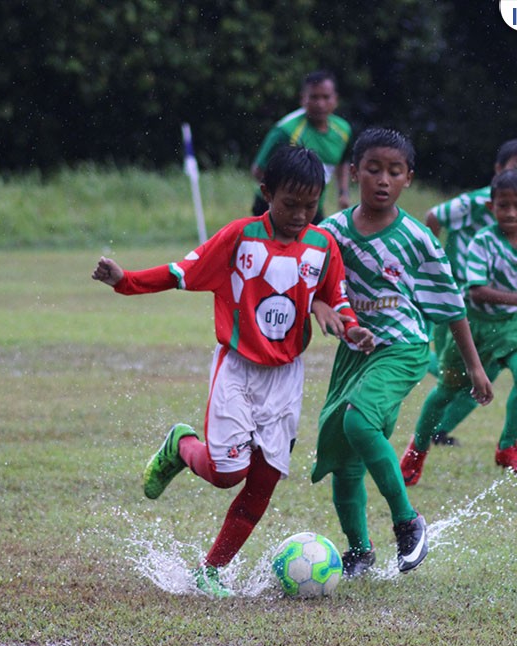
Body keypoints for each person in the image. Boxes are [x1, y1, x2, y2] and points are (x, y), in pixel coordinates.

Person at [92, 146, 374, 597]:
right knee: (227, 473)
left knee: (262, 483)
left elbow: (335, 295)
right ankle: (181, 445)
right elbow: (181, 271)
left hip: (286, 378)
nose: (302, 214)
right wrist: (125, 281)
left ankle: (211, 571)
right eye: (290, 203)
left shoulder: (324, 245)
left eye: (310, 205)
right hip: (238, 369)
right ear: (266, 193)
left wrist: (351, 327)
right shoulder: (240, 237)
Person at [309, 128, 493, 578]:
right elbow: (306, 284)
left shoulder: (417, 238)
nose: (383, 180)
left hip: (404, 347)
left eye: (395, 171)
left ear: (408, 178)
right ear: (354, 173)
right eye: (373, 169)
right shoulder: (329, 233)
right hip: (355, 354)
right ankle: (359, 552)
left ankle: (408, 523)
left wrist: (473, 365)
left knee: (357, 419)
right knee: (343, 458)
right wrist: (319, 306)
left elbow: (451, 304)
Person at [401, 169, 517, 485]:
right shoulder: (482, 242)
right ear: (490, 208)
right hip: (473, 326)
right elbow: (475, 291)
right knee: (446, 391)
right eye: (503, 206)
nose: (511, 213)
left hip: (512, 326)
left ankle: (508, 448)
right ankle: (416, 452)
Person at [425, 139, 517, 446]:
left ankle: (441, 430)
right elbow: (434, 216)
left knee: (484, 373)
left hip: (495, 308)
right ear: (498, 170)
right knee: (454, 371)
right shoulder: (479, 201)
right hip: (456, 297)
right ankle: (416, 361)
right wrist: (432, 266)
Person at [250, 70, 352, 223]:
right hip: (273, 208)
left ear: (335, 99)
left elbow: (343, 161)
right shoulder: (286, 131)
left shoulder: (343, 130)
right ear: (303, 99)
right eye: (314, 97)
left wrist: (343, 193)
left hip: (312, 207)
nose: (320, 104)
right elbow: (258, 170)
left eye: (326, 97)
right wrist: (283, 199)